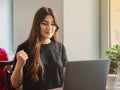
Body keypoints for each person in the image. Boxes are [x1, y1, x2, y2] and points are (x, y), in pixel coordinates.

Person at [11, 7, 68, 90]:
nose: (49, 28)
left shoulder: (60, 48)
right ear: (37, 25)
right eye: (44, 23)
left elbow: (67, 79)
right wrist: (19, 65)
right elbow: (15, 84)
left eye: (53, 24)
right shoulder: (23, 48)